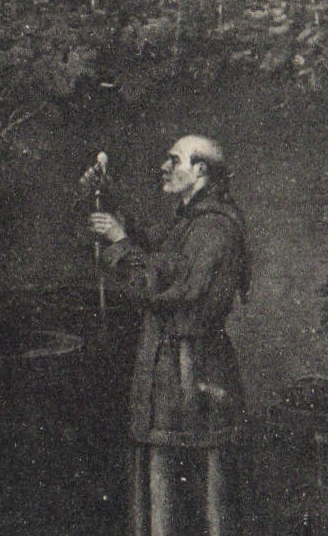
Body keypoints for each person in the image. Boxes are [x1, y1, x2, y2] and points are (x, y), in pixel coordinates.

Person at [90, 135, 250, 536]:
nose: (163, 166)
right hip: (172, 370)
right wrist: (111, 208)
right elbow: (156, 247)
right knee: (166, 477)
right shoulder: (190, 220)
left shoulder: (213, 229)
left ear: (200, 171)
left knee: (192, 481)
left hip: (190, 372)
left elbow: (162, 285)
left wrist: (119, 242)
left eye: (173, 160)